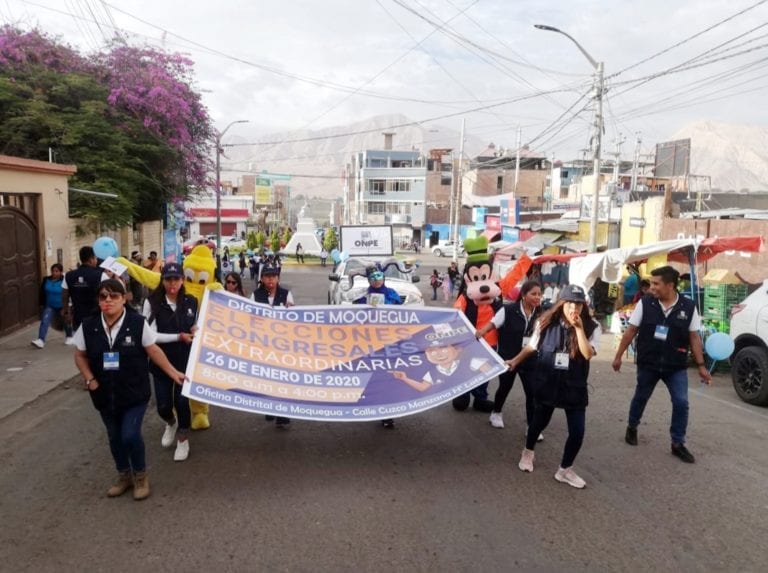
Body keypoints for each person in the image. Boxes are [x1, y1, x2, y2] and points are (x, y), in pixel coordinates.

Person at [72, 279, 186, 500]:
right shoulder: (89, 326)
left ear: (124, 299)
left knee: (130, 435)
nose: (108, 300)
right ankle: (124, 475)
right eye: (103, 296)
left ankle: (141, 475)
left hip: (134, 392)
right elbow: (79, 355)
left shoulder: (136, 323)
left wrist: (174, 373)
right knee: (114, 437)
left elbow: (153, 351)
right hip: (103, 393)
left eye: (114, 296)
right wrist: (89, 379)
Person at [612, 266, 712, 464]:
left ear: (670, 285)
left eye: (656, 284)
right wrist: (618, 356)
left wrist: (701, 366)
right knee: (641, 396)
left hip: (675, 365)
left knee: (681, 402)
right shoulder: (645, 303)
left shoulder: (689, 307)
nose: (652, 288)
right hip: (648, 363)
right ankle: (632, 426)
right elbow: (631, 331)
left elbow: (694, 337)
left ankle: (677, 443)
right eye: (651, 283)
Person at [507, 284, 600, 489]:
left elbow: (587, 353)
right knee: (538, 423)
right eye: (570, 303)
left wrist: (579, 329)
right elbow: (532, 346)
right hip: (547, 382)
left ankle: (565, 469)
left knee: (577, 431)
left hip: (574, 386)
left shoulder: (592, 326)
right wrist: (515, 361)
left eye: (578, 304)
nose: (574, 308)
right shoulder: (546, 322)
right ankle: (528, 451)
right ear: (561, 303)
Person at [142, 263, 198, 462]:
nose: (172, 283)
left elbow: (195, 326)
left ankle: (183, 438)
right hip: (161, 360)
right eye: (168, 279)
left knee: (182, 402)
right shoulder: (152, 303)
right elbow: (150, 336)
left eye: (176, 279)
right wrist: (178, 337)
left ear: (182, 280)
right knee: (163, 405)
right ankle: (171, 422)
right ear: (162, 280)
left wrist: (194, 330)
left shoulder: (191, 301)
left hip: (185, 359)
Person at [475, 280, 543, 433]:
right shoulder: (508, 310)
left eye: (539, 294)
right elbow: (492, 324)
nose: (537, 297)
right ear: (524, 295)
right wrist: (481, 332)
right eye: (533, 294)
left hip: (530, 359)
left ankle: (531, 426)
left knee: (532, 392)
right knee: (505, 387)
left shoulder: (541, 313)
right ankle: (496, 413)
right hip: (508, 357)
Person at [253, 262, 294, 427]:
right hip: (263, 344)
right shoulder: (255, 295)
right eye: (267, 276)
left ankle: (282, 414)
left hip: (282, 344)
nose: (270, 279)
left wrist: (291, 309)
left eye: (273, 276)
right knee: (267, 377)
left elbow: (294, 318)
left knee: (282, 379)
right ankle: (270, 407)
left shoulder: (286, 294)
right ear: (262, 278)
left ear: (278, 278)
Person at [32, 263, 74, 348]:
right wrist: (41, 304)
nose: (54, 273)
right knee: (45, 321)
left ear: (61, 272)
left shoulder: (65, 281)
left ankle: (69, 336)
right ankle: (41, 340)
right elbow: (41, 293)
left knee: (66, 321)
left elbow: (69, 293)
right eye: (53, 271)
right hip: (50, 306)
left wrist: (68, 306)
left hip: (63, 306)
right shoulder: (46, 280)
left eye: (56, 271)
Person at [62, 246, 103, 331]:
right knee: (96, 342)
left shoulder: (68, 275)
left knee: (80, 342)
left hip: (78, 317)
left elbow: (64, 295)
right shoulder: (101, 275)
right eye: (95, 258)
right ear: (91, 260)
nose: (96, 261)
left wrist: (66, 312)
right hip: (96, 317)